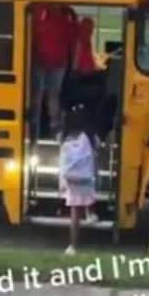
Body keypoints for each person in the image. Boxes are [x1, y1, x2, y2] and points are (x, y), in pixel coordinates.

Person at [31, 3, 78, 139]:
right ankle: (37, 128)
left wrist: (72, 15)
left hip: (57, 65)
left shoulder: (65, 22)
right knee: (39, 97)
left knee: (52, 97)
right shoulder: (42, 18)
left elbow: (74, 38)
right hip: (42, 63)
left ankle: (53, 128)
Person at [59, 103, 99, 255]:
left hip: (71, 179)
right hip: (86, 178)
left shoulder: (65, 139)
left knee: (75, 213)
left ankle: (73, 246)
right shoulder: (89, 136)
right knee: (91, 191)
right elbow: (97, 150)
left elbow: (62, 162)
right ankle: (92, 212)